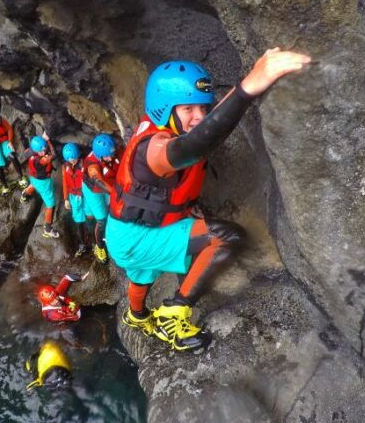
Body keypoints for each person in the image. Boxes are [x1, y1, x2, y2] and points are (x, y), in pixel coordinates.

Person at [107, 49, 311, 351]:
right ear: (165, 108)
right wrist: (248, 88)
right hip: (136, 239)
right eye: (188, 108)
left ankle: (136, 317)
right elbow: (195, 144)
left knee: (142, 275)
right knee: (225, 237)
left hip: (125, 232)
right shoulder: (154, 148)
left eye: (203, 108)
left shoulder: (156, 127)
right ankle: (174, 313)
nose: (198, 117)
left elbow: (200, 130)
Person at [81, 134, 119, 264]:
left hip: (109, 186)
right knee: (102, 220)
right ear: (99, 155)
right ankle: (99, 247)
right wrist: (115, 193)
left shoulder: (111, 153)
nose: (110, 158)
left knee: (112, 210)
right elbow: (97, 179)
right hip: (94, 191)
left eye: (111, 154)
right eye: (107, 156)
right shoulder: (92, 164)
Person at [21, 134, 59, 238]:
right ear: (37, 150)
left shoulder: (30, 151)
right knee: (51, 204)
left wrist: (43, 141)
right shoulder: (41, 160)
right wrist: (48, 141)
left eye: (44, 149)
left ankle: (25, 194)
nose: (44, 151)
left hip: (34, 178)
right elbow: (54, 155)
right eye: (42, 150)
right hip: (43, 182)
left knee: (33, 185)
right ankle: (47, 228)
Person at [61, 142, 89, 257]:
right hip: (73, 196)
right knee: (78, 221)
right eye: (70, 159)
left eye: (74, 158)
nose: (73, 161)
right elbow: (65, 183)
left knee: (91, 217)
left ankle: (96, 241)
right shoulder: (65, 167)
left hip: (86, 196)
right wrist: (66, 199)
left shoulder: (85, 165)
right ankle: (82, 244)